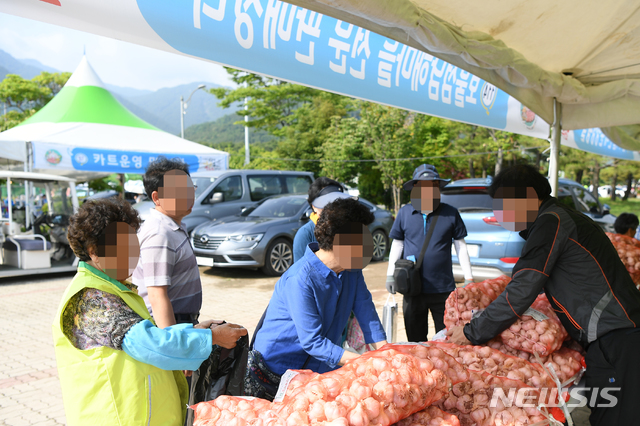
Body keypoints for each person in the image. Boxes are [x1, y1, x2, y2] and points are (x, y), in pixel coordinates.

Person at [447, 164, 640, 425]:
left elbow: (522, 288)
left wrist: (472, 331)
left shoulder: (552, 222)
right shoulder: (559, 218)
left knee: (614, 417)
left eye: (505, 204)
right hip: (619, 334)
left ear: (529, 197)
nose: (500, 213)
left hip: (616, 338)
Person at [53, 198, 247, 425]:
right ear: (94, 251)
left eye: (133, 247)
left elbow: (144, 331)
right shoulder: (90, 300)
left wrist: (194, 331)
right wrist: (212, 337)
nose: (132, 256)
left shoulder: (113, 287)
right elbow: (149, 343)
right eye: (122, 248)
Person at [246, 197, 388, 400]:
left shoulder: (352, 270)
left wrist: (387, 355)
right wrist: (362, 361)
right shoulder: (301, 279)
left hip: (316, 370)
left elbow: (367, 314)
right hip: (275, 371)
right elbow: (312, 341)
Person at [386, 164, 474, 342]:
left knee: (446, 339)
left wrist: (469, 277)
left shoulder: (450, 213)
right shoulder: (404, 213)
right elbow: (397, 245)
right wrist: (390, 275)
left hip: (443, 289)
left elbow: (460, 246)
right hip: (412, 288)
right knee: (415, 340)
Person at [132, 157, 202, 328]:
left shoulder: (172, 226)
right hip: (167, 323)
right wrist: (173, 342)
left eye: (190, 188)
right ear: (157, 197)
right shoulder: (158, 234)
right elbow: (156, 295)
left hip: (181, 320)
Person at [293, 177, 350, 263]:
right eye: (326, 201)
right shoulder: (305, 234)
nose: (333, 206)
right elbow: (300, 272)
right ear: (314, 206)